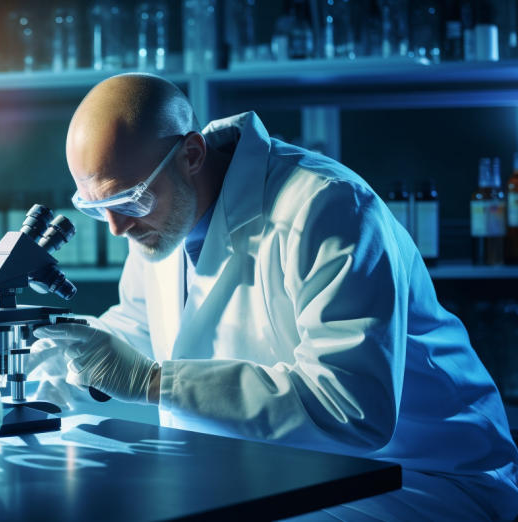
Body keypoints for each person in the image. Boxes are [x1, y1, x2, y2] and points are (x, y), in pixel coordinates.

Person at [31, 73, 518, 520]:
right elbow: (143, 323)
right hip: (276, 467)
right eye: (98, 209)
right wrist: (76, 357)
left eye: (129, 199)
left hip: (419, 474)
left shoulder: (329, 206)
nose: (117, 227)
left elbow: (351, 408)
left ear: (193, 154)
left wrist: (150, 381)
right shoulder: (159, 219)